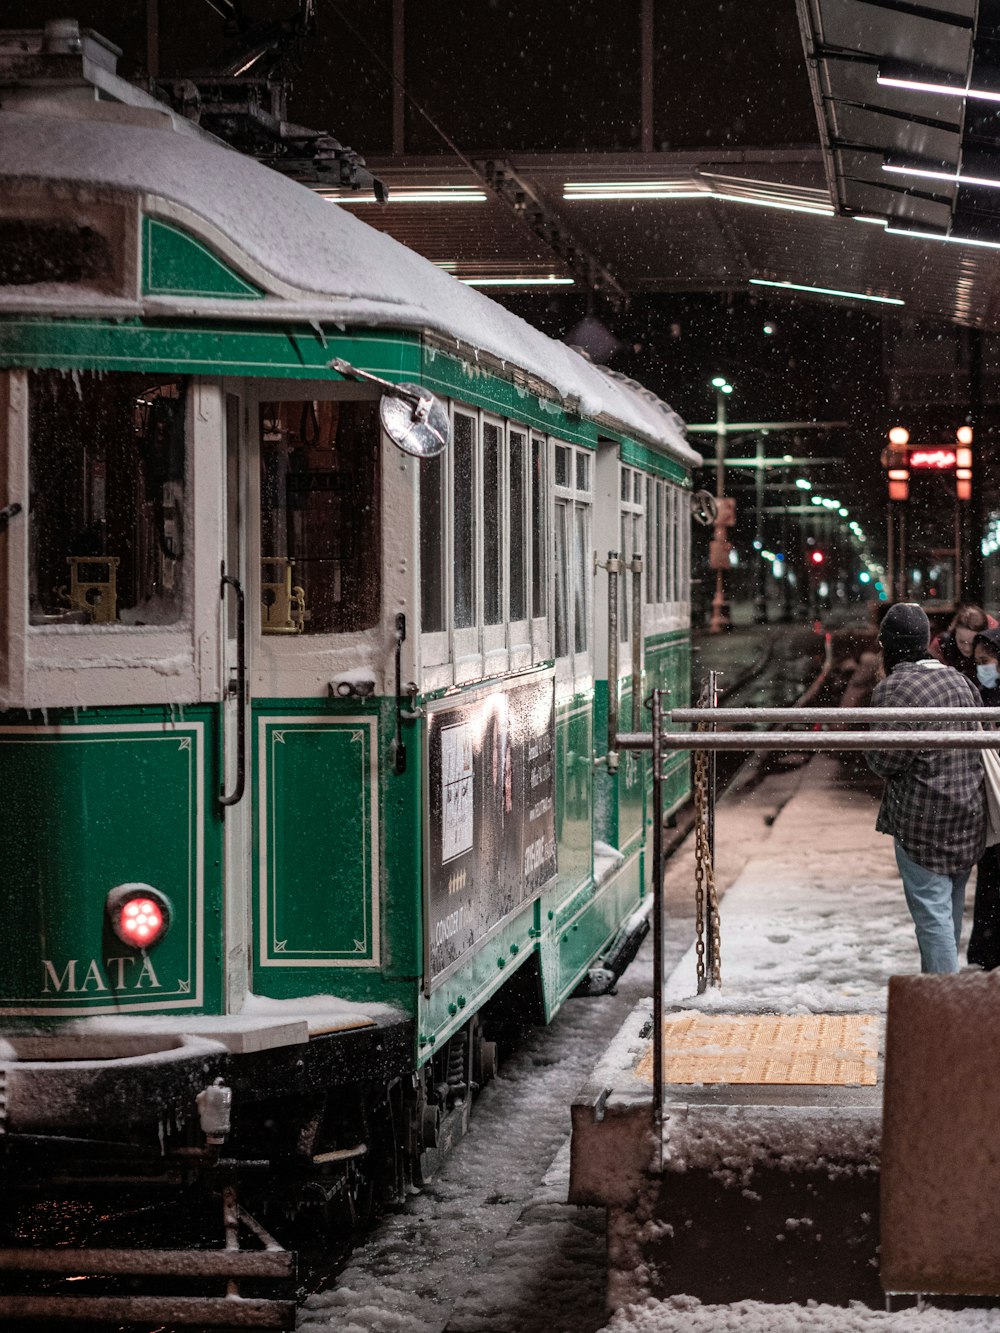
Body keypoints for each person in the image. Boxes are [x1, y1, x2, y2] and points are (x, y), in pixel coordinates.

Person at [866, 602, 985, 974]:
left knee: (933, 923)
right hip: (967, 819)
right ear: (928, 642)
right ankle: (942, 997)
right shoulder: (959, 680)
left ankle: (943, 1010)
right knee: (946, 916)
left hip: (923, 826)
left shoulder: (894, 689)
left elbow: (885, 762)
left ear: (887, 646)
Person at [967, 627, 1000, 969]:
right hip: (991, 801)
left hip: (993, 798)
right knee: (990, 877)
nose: (981, 669)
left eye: (986, 661)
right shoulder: (978, 692)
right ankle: (988, 954)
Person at [930, 604, 997, 683]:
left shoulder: (994, 643)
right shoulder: (941, 645)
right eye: (962, 642)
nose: (967, 648)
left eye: (972, 643)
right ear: (954, 634)